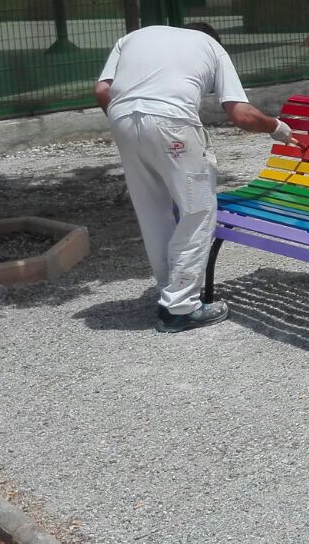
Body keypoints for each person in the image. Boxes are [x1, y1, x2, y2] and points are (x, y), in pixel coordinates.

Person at [94, 23, 297, 332]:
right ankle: (180, 307)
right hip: (173, 123)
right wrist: (277, 128)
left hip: (121, 119)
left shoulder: (135, 37)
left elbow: (102, 90)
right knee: (198, 211)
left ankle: (170, 292)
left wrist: (135, 126)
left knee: (153, 212)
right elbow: (240, 114)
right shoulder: (211, 47)